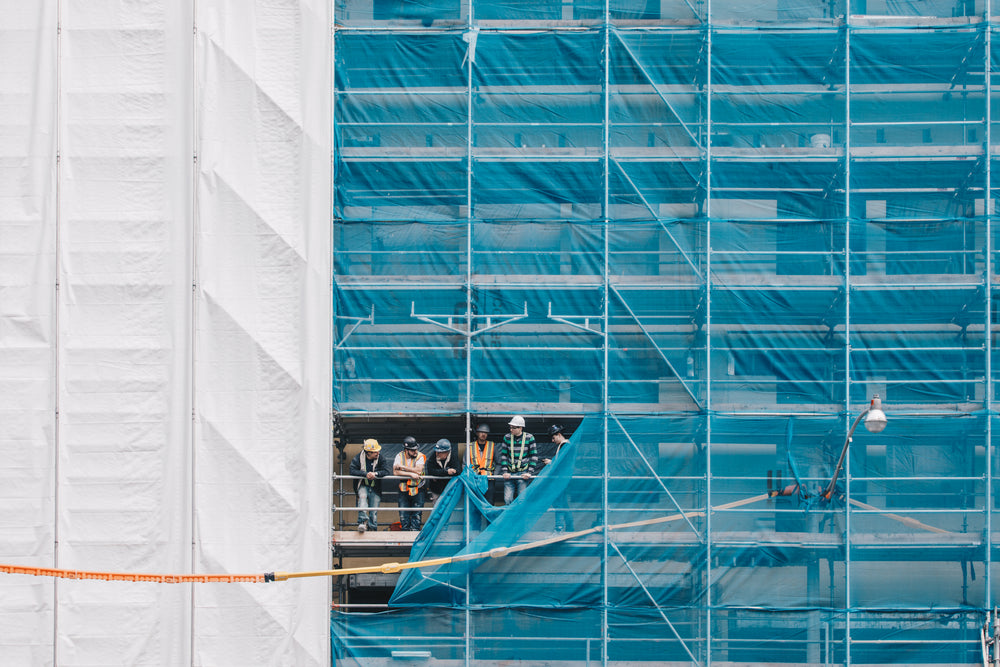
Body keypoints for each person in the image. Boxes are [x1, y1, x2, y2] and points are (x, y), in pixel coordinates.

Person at [349, 438, 390, 533]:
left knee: (374, 510)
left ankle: (372, 528)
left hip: (375, 487)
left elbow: (386, 471)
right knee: (362, 499)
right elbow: (352, 470)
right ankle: (362, 522)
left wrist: (375, 474)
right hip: (363, 484)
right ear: (368, 453)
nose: (378, 453)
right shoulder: (358, 458)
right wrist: (365, 474)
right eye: (375, 452)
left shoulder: (381, 458)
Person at [499, 415, 537, 505]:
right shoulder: (507, 437)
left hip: (523, 473)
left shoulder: (529, 437)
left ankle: (520, 518)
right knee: (507, 499)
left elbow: (534, 456)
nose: (510, 429)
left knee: (522, 500)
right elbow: (504, 455)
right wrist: (504, 471)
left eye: (513, 427)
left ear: (520, 428)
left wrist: (529, 472)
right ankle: (511, 518)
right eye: (510, 427)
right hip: (509, 473)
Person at [393, 436, 426, 531]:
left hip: (418, 489)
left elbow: (419, 470)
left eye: (416, 449)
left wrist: (402, 467)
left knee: (417, 514)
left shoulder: (420, 456)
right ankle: (405, 533)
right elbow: (395, 472)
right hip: (404, 489)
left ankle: (414, 533)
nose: (415, 452)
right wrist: (411, 474)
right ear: (406, 450)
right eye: (412, 450)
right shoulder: (399, 456)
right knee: (404, 515)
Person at [547, 424, 573, 532]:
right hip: (564, 479)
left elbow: (563, 463)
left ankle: (559, 528)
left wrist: (551, 462)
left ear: (559, 434)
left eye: (553, 437)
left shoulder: (564, 445)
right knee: (564, 505)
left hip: (561, 480)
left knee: (559, 504)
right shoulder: (566, 445)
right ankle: (570, 528)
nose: (553, 441)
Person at [426, 438, 462, 504]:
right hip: (436, 489)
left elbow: (458, 471)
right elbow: (431, 471)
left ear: (447, 452)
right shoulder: (433, 456)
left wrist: (439, 473)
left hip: (449, 489)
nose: (437, 453)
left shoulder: (453, 456)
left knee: (448, 507)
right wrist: (446, 471)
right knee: (437, 507)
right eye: (437, 451)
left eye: (440, 452)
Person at [468, 423, 497, 504]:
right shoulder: (470, 446)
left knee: (489, 502)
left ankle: (488, 517)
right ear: (477, 433)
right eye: (481, 432)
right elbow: (465, 463)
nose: (483, 434)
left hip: (489, 478)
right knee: (475, 502)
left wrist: (495, 475)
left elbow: (498, 463)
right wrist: (469, 476)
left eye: (485, 432)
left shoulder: (492, 445)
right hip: (475, 478)